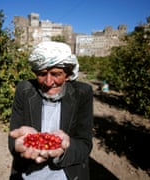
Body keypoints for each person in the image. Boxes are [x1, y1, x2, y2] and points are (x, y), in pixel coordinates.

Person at [8, 41, 94, 180]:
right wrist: (20, 146)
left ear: (67, 74)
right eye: (42, 74)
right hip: (30, 171)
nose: (48, 82)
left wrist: (63, 150)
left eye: (56, 74)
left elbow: (84, 143)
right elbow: (14, 137)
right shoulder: (24, 90)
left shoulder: (82, 93)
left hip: (65, 172)